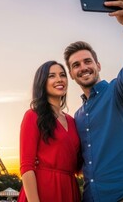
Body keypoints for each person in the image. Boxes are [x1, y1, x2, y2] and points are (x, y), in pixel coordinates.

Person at [63, 0, 123, 201]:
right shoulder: (78, 116)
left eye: (87, 61)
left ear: (98, 65)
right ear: (72, 75)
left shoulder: (118, 92)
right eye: (76, 65)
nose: (83, 67)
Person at [18, 61, 81, 202]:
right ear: (42, 82)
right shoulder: (33, 115)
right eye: (52, 76)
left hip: (70, 188)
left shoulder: (73, 121)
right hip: (43, 189)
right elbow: (26, 166)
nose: (59, 79)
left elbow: (78, 165)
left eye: (63, 75)